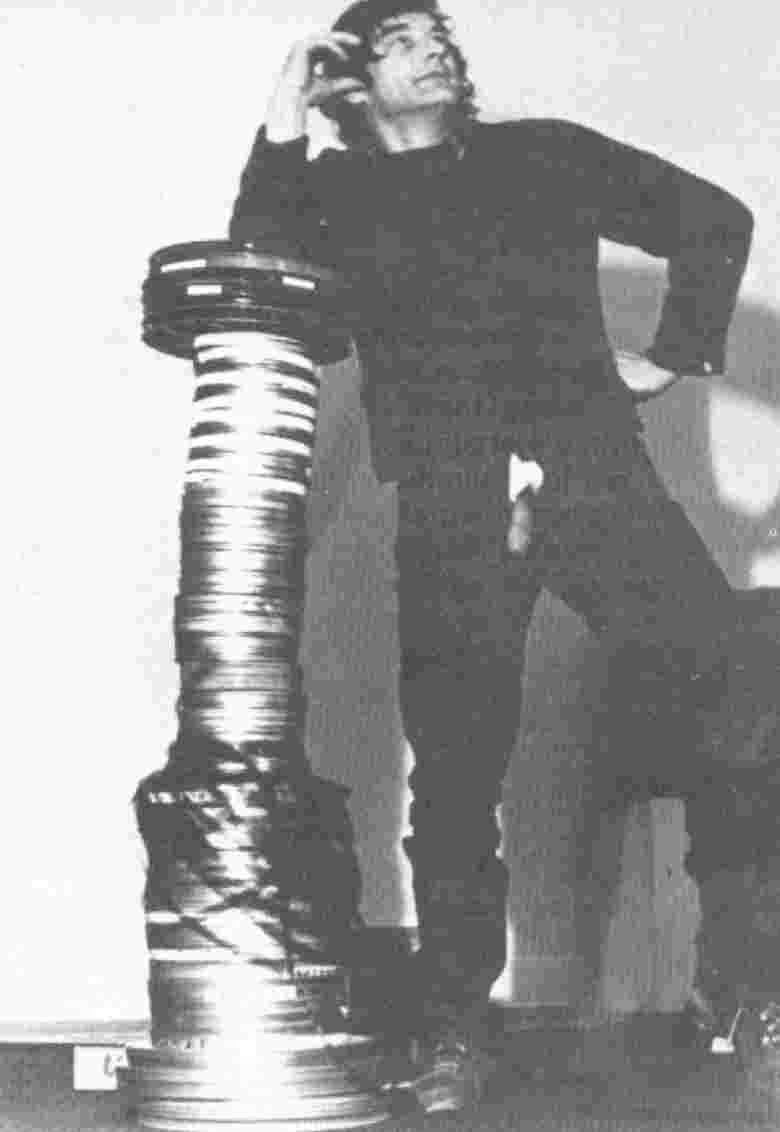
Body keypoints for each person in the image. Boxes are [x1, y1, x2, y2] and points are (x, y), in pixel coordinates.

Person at [229, 0, 779, 1112]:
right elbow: (257, 278)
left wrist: (674, 354)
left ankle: (744, 995)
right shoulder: (335, 198)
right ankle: (452, 1028)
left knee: (734, 692)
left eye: (438, 32)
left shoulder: (543, 156)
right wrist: (285, 105)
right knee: (456, 774)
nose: (434, 45)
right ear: (352, 84)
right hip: (452, 500)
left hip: (596, 473)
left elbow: (713, 218)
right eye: (399, 40)